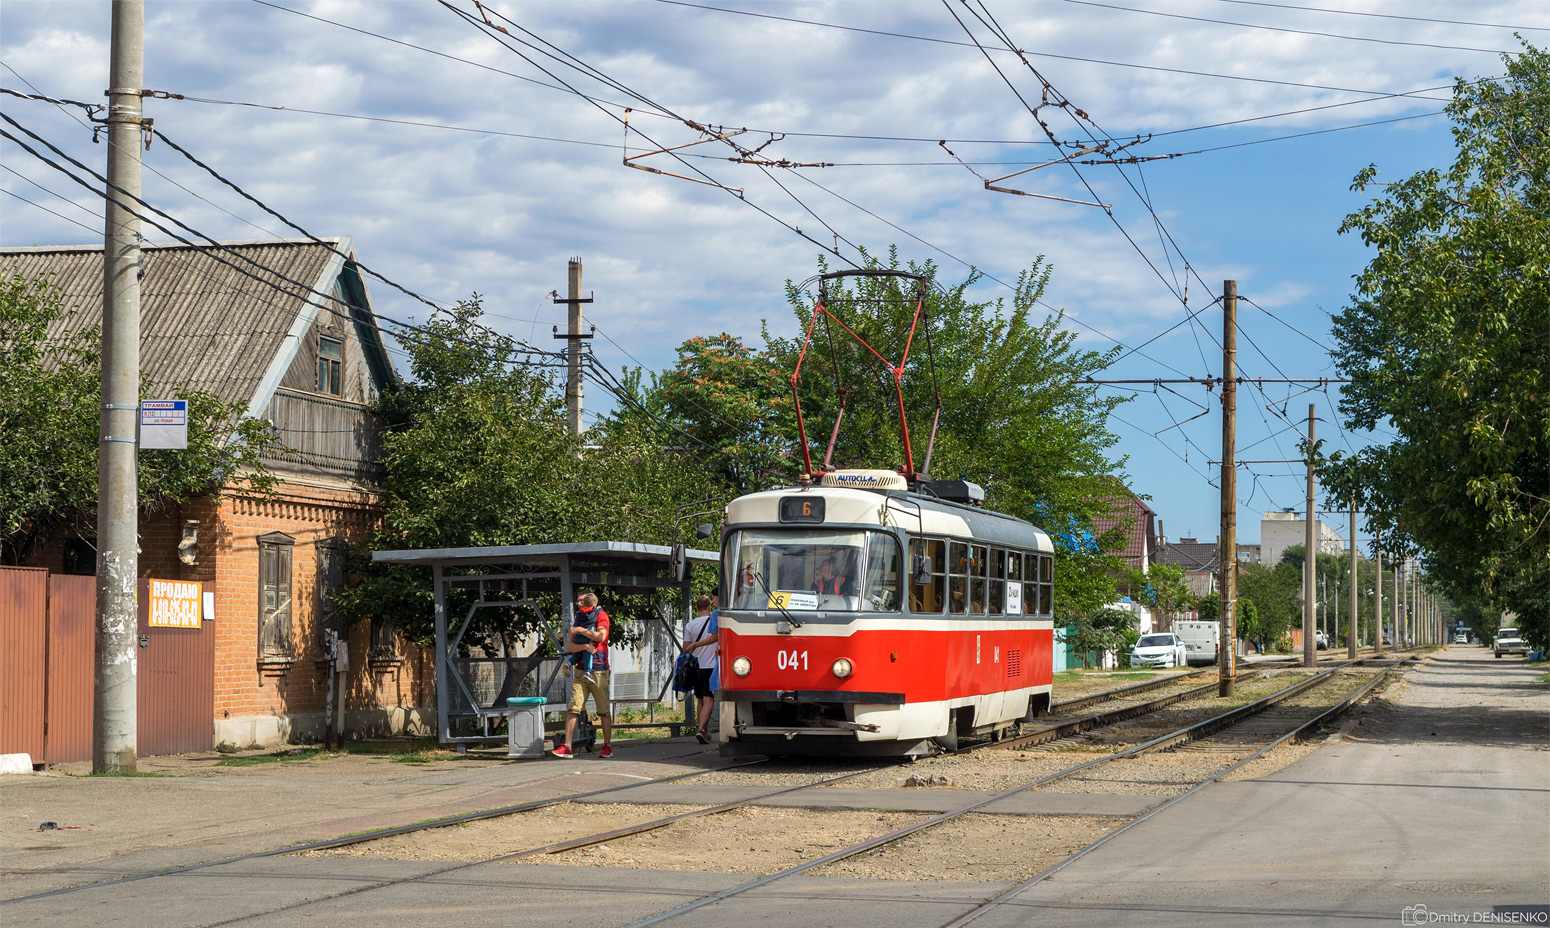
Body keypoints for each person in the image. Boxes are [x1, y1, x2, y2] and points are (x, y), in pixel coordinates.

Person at [553, 591, 613, 758]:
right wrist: (586, 646)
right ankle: (567, 746)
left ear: (591, 603)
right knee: (573, 707)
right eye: (578, 601)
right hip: (580, 671)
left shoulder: (601, 615)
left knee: (603, 710)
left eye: (582, 601)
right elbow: (570, 647)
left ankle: (607, 745)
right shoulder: (578, 617)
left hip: (599, 669)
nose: (579, 603)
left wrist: (581, 631)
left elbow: (601, 636)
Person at [683, 592, 720, 743]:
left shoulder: (690, 625)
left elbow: (685, 649)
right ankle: (701, 729)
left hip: (696, 667)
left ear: (697, 608)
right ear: (709, 607)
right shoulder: (714, 620)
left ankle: (703, 731)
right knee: (709, 699)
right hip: (711, 666)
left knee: (700, 700)